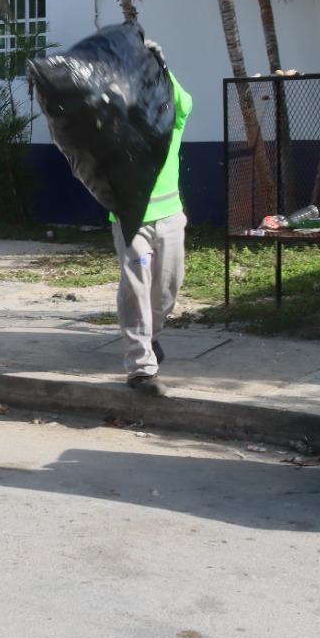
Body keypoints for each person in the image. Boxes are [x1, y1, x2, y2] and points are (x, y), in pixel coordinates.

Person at [115, 63, 192, 398]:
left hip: (171, 216)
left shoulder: (171, 124)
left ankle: (152, 336)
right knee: (137, 288)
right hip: (131, 222)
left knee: (167, 288)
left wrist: (160, 67)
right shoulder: (117, 132)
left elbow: (184, 101)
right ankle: (140, 368)